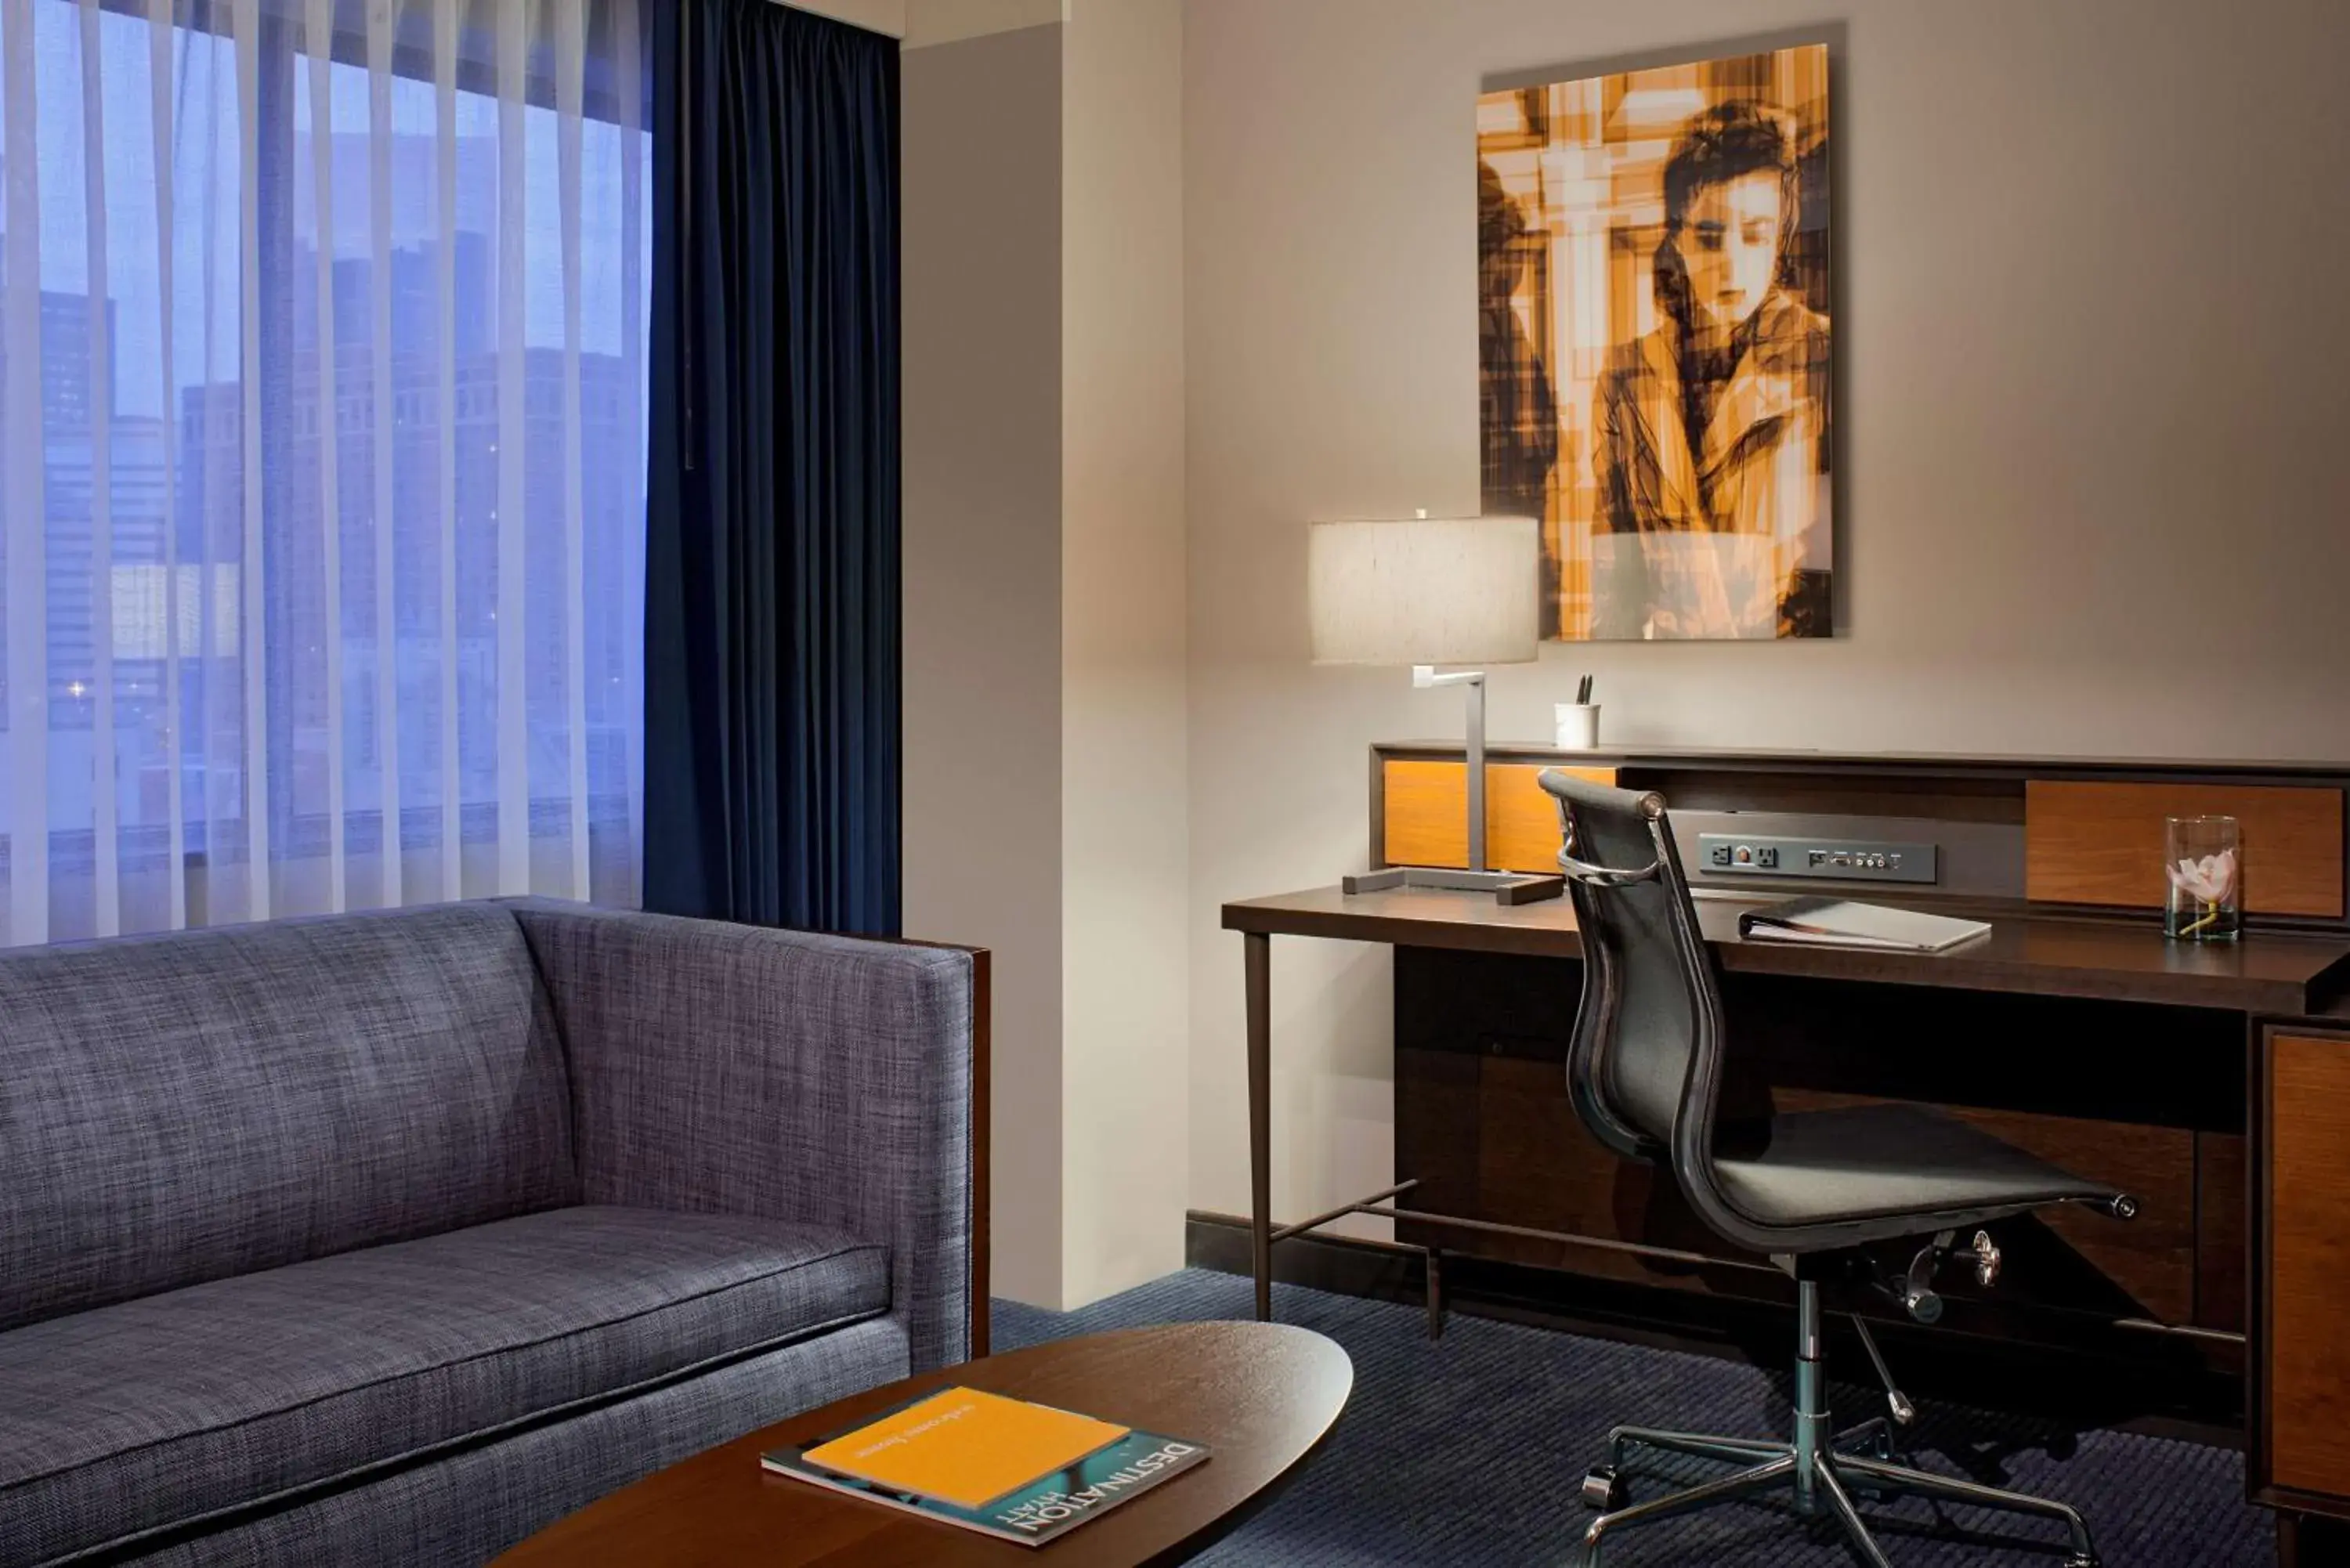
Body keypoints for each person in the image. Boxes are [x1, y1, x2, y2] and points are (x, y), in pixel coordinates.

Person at [1590, 101, 1831, 639]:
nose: (1730, 263)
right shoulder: (1625, 376)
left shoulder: (1821, 358)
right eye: (1708, 235)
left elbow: (1837, 572)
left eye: (1755, 235)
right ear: (1677, 236)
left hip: (1798, 676)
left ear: (1780, 239)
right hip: (1673, 679)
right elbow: (1614, 579)